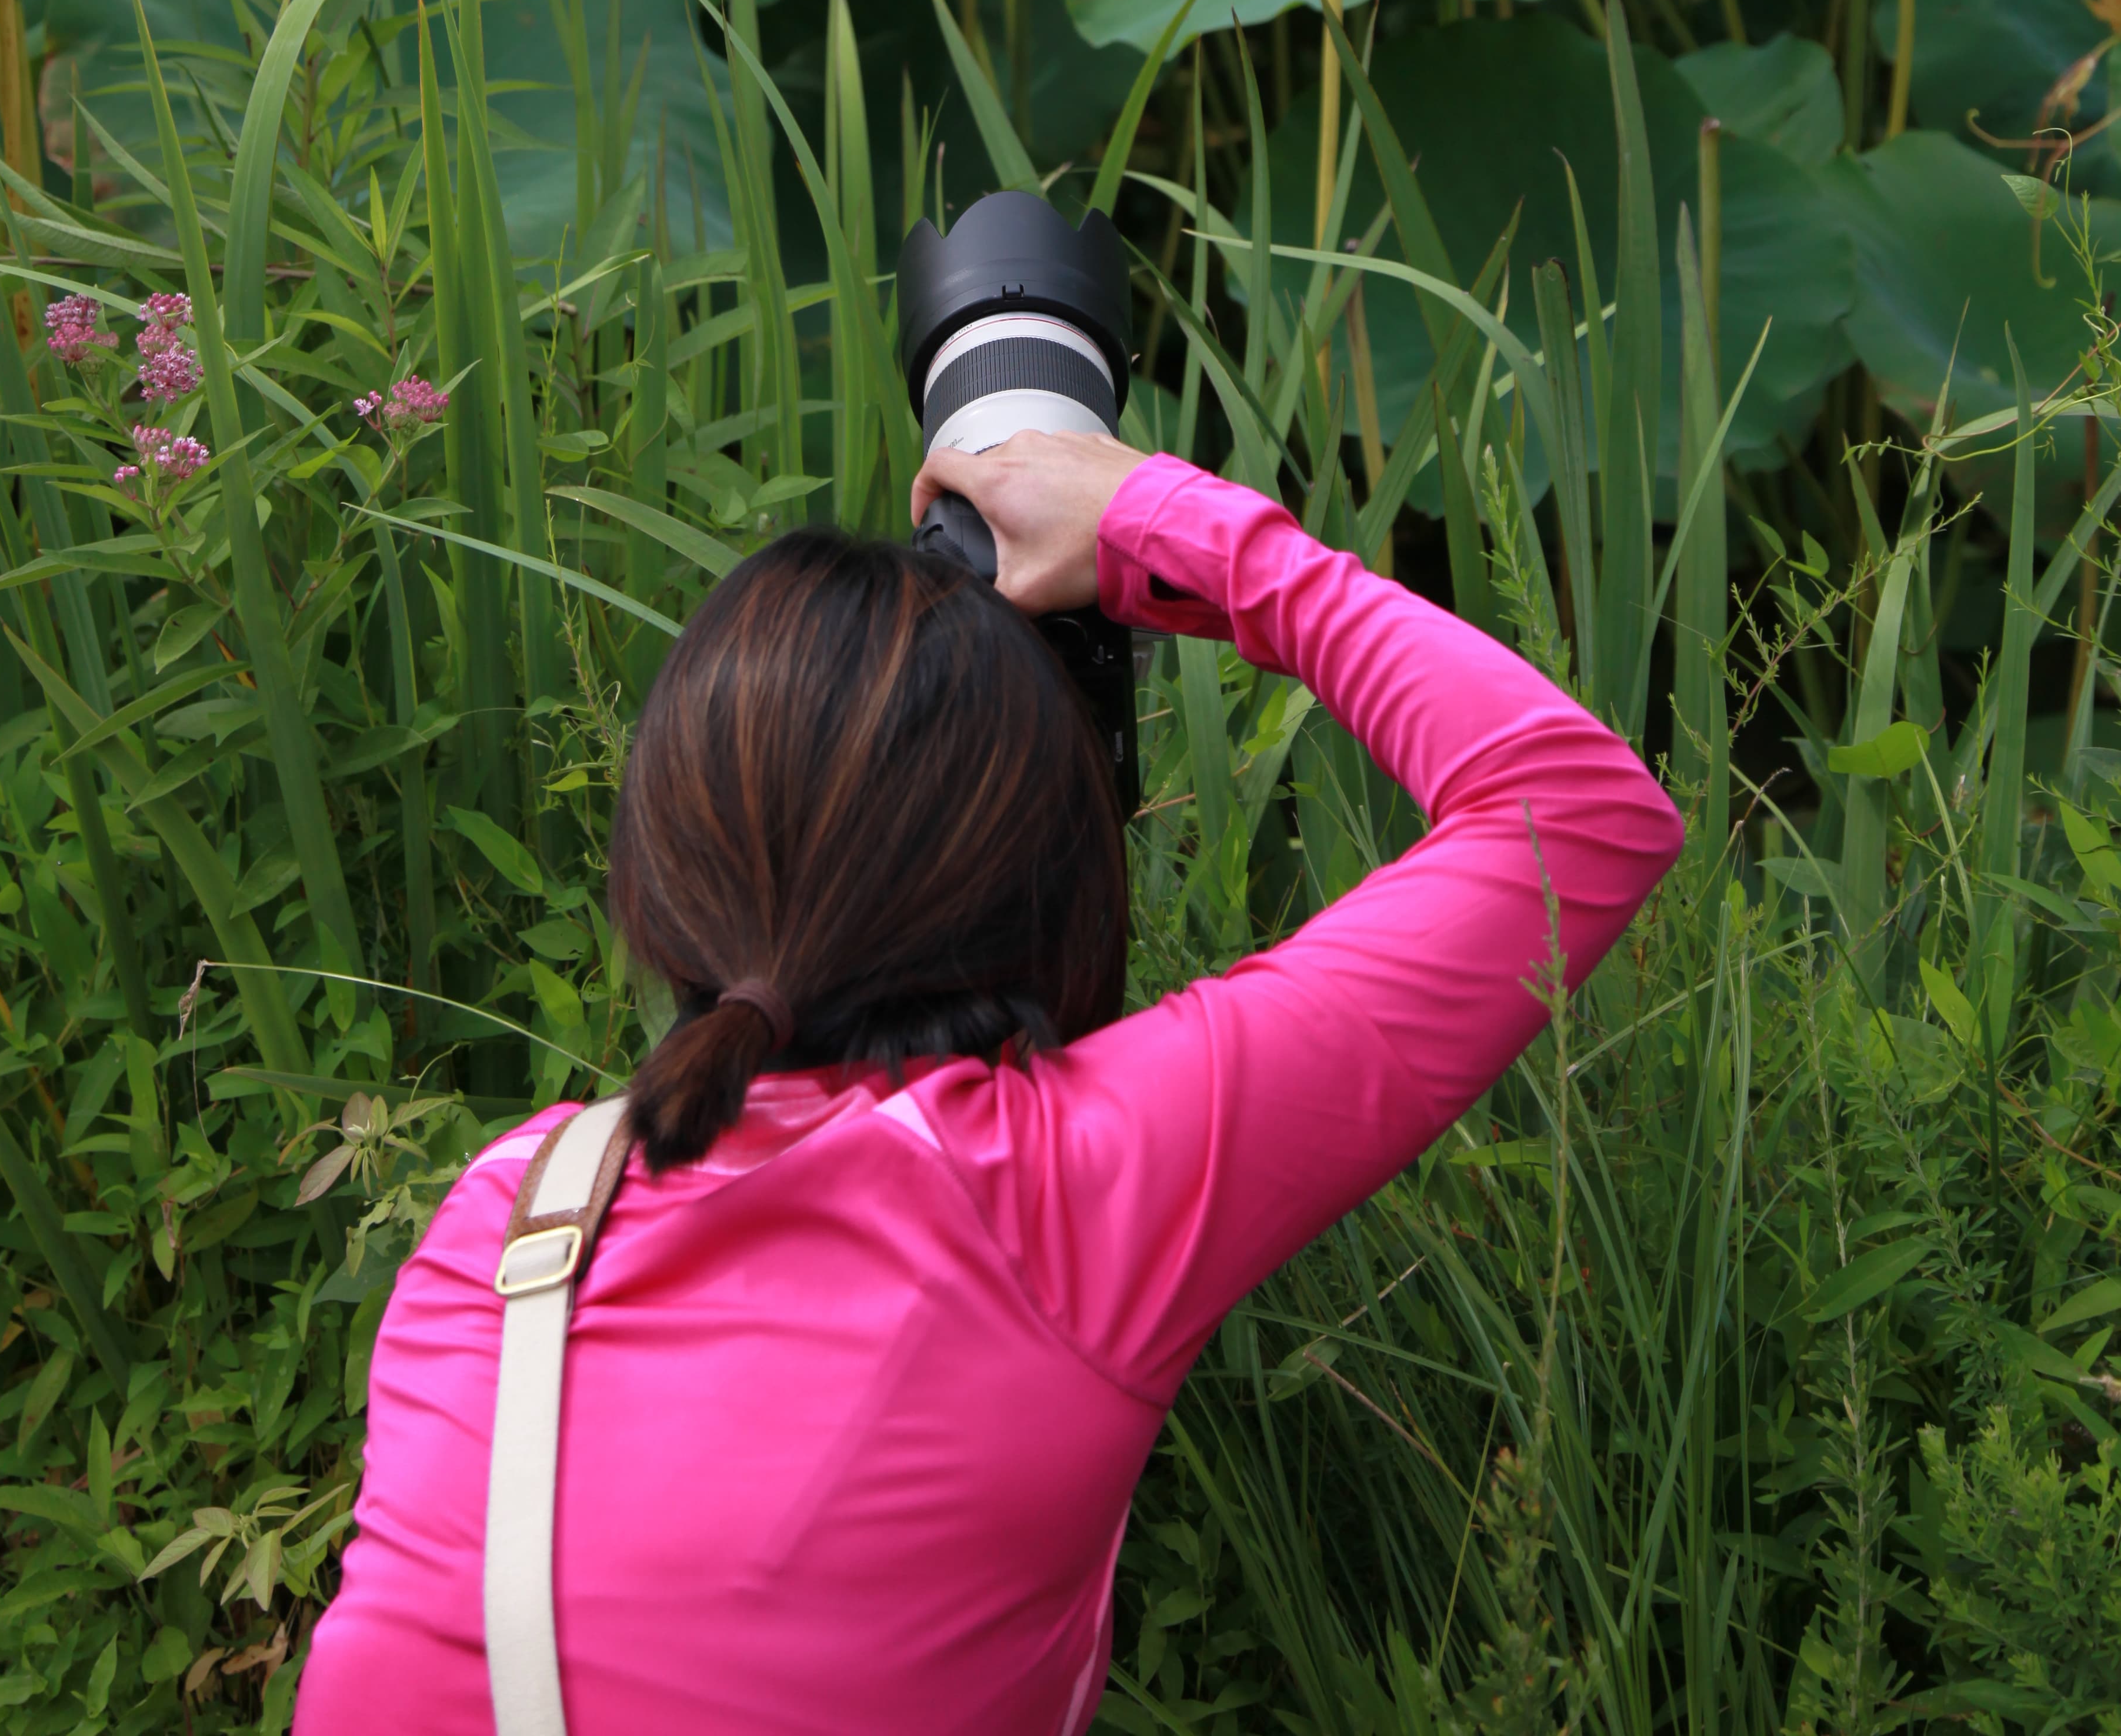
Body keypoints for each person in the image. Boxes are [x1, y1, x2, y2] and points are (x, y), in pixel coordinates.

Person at [294, 431, 1682, 1735]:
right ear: (1048, 866)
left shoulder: (511, 1216)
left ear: (661, 862)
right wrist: (1160, 512)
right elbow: (1576, 811)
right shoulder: (1058, 1190)